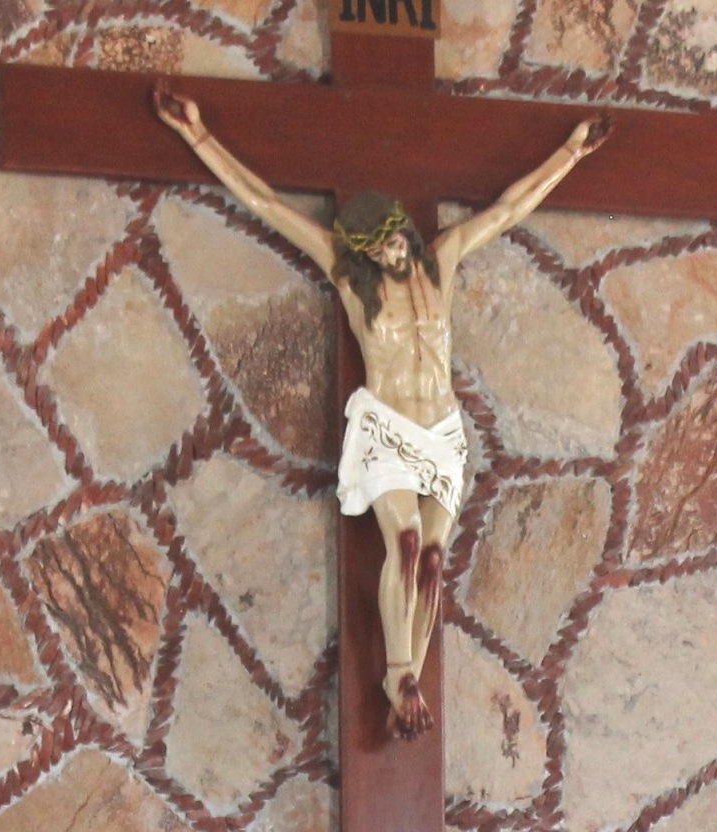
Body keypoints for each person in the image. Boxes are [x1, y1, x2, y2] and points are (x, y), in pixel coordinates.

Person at [151, 83, 609, 740]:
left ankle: (408, 674)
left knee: (433, 562)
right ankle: (399, 672)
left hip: (443, 431)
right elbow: (265, 204)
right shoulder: (348, 277)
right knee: (407, 542)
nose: (394, 252)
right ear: (363, 252)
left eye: (396, 240)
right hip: (390, 428)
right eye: (380, 249)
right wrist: (196, 134)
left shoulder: (442, 261)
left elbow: (508, 210)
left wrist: (571, 152)